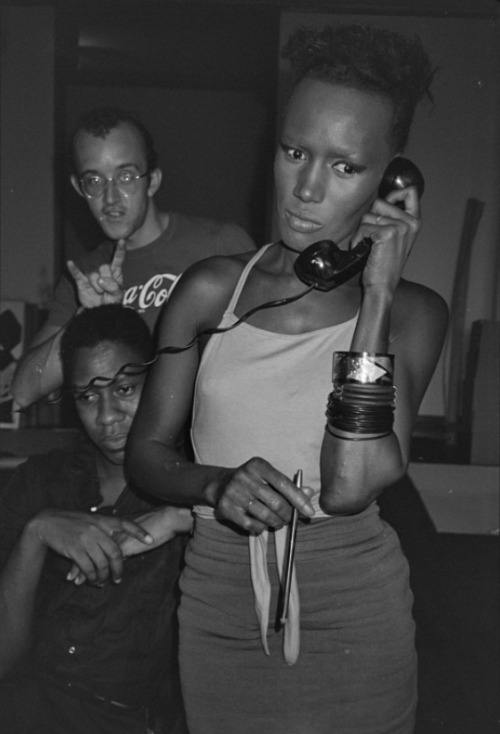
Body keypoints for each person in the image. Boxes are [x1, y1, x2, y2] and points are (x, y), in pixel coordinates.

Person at [127, 23, 448, 734]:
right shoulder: (212, 291)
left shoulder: (414, 315)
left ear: (391, 182)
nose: (304, 189)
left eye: (343, 167)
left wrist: (379, 297)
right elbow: (147, 455)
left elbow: (350, 483)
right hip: (219, 599)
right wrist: (214, 482)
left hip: (354, 610)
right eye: (295, 152)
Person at [0, 304, 193, 734]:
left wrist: (180, 517)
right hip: (24, 708)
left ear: (159, 382)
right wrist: (36, 535)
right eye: (88, 396)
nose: (106, 417)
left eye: (124, 389)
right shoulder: (41, 482)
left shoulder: (192, 484)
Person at [11, 106, 255, 409]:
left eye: (125, 176)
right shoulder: (83, 277)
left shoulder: (220, 243)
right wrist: (84, 320)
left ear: (152, 180)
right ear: (78, 187)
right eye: (94, 181)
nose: (110, 198)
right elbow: (22, 393)